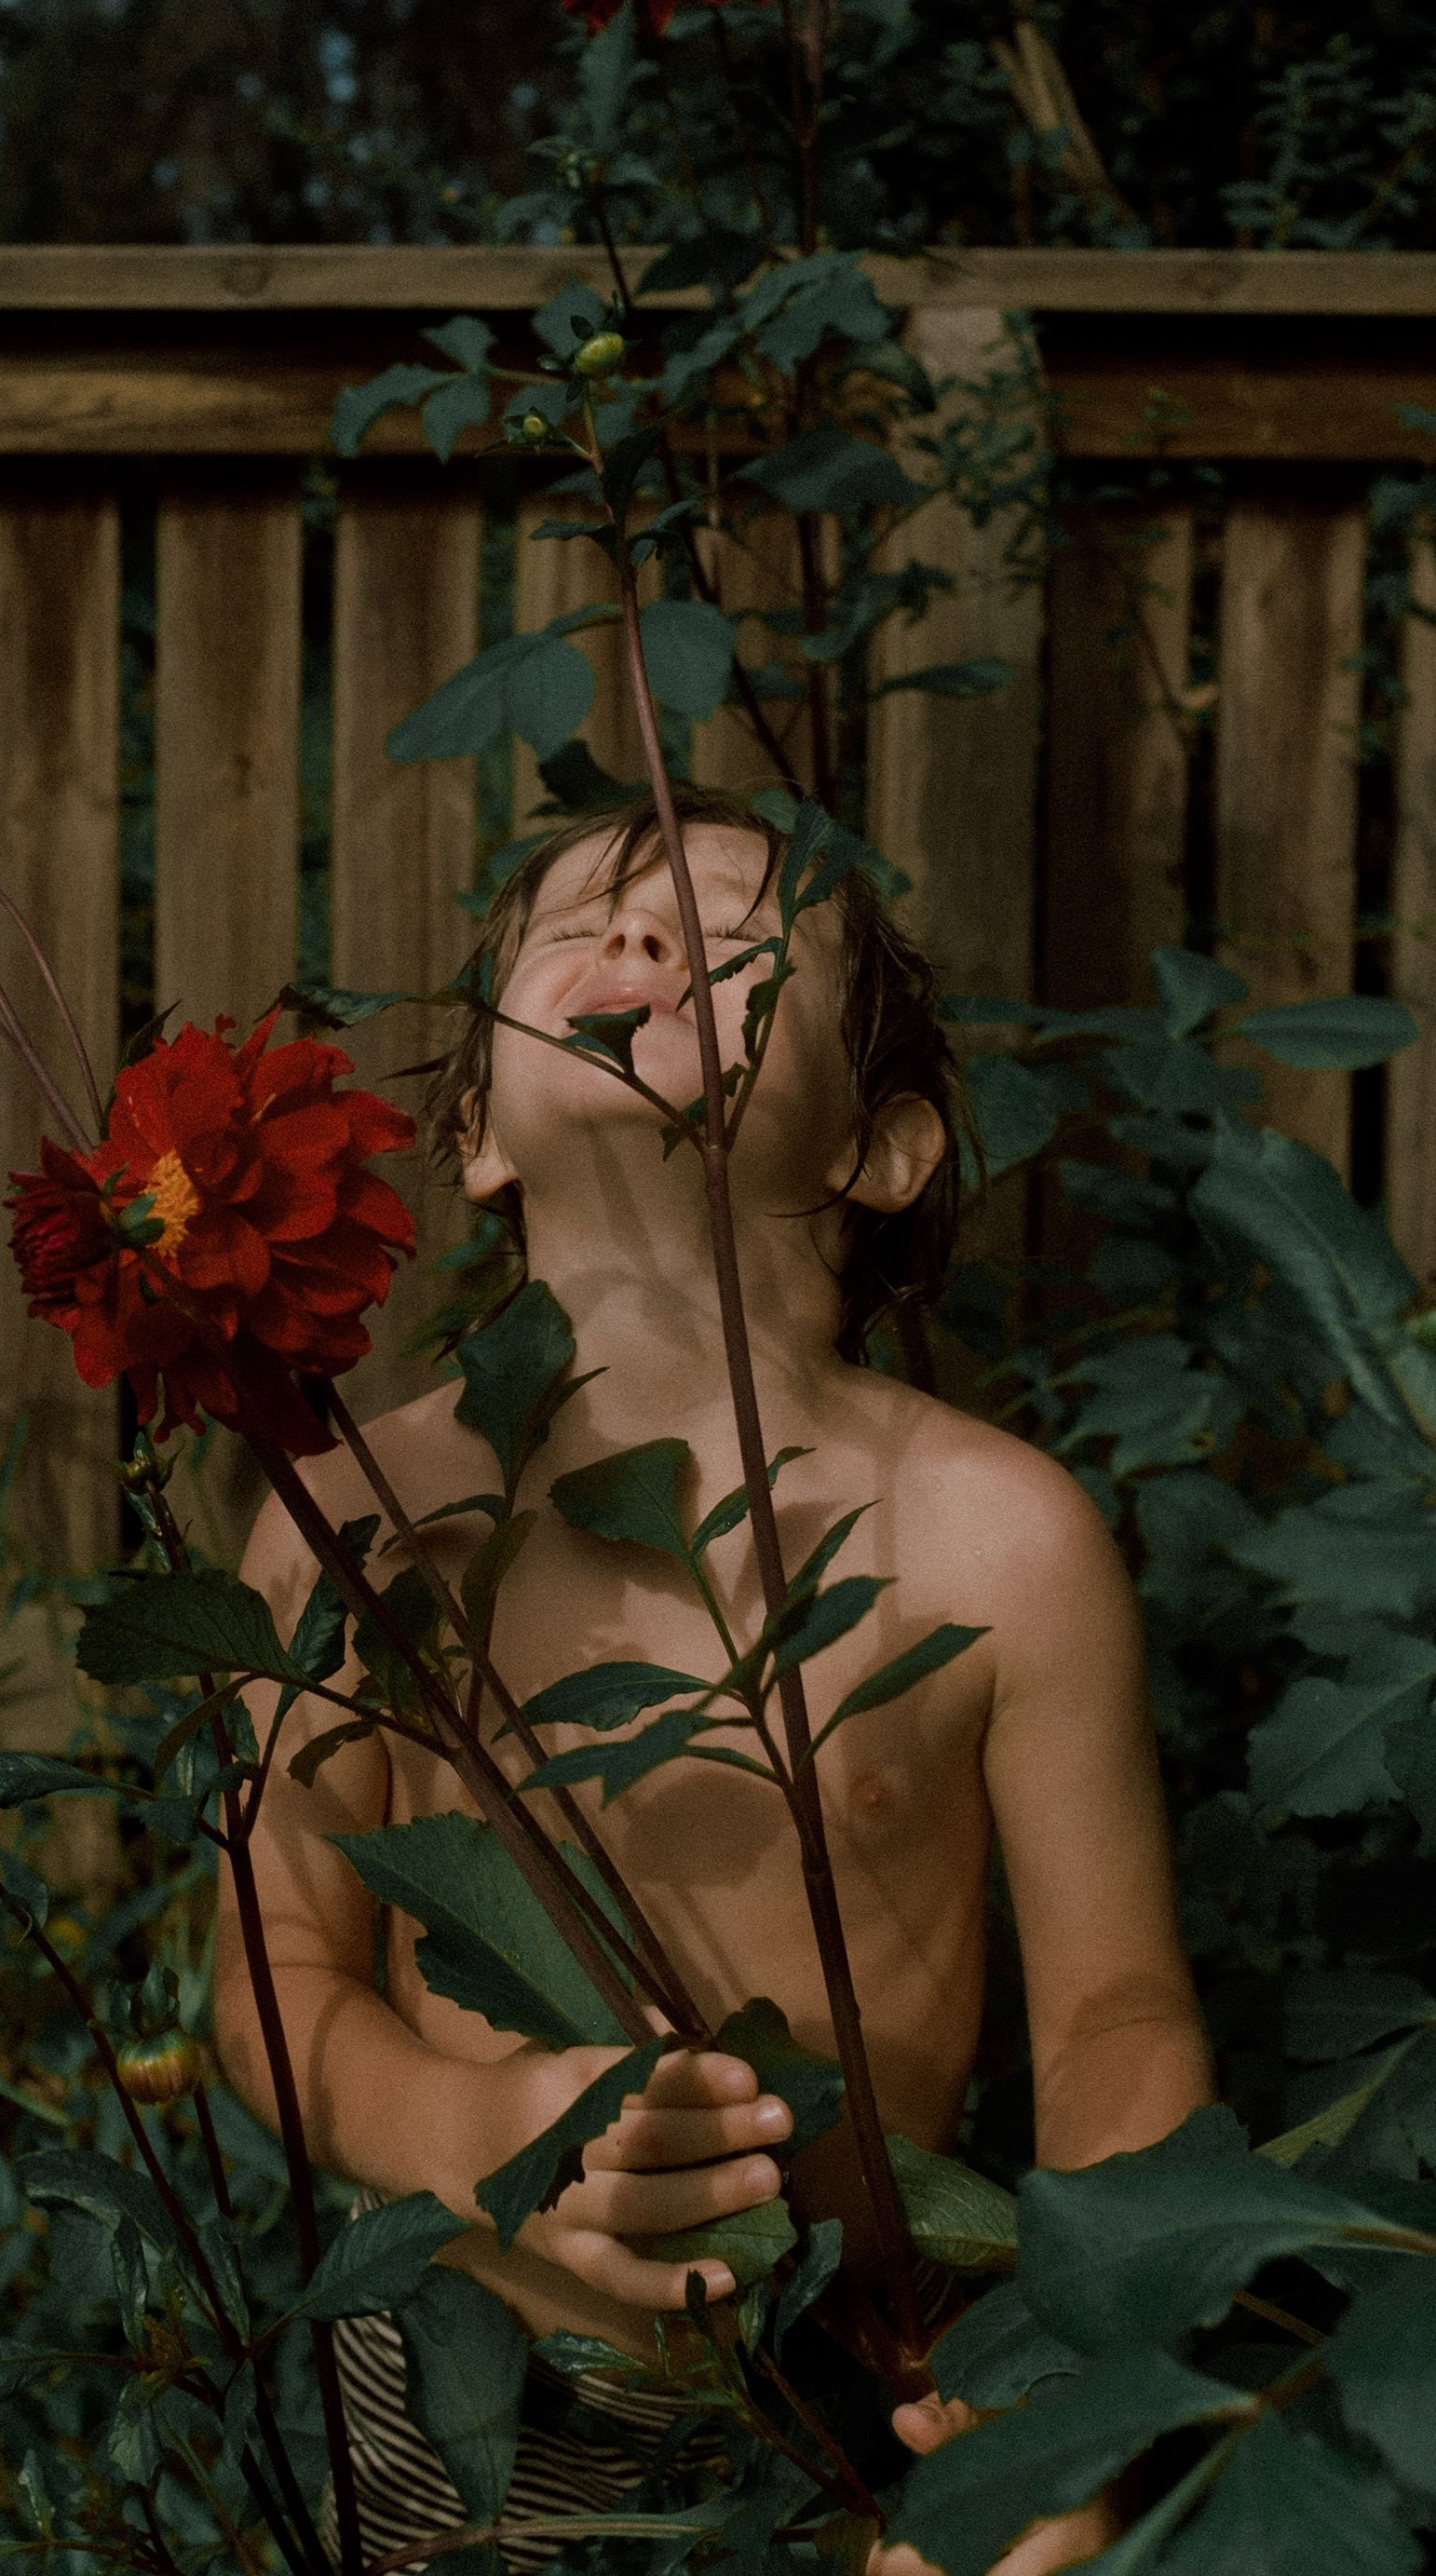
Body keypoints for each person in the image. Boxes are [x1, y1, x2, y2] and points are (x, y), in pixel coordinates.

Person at [214, 787, 1214, 2574]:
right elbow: (275, 1976)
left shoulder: (998, 1541)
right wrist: (470, 2127)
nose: (640, 937)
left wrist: (1076, 2387)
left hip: (862, 2404)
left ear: (879, 1151)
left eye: (734, 928)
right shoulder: (351, 1517)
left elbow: (1112, 2020)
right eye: (578, 920)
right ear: (475, 1138)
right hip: (471, 2400)